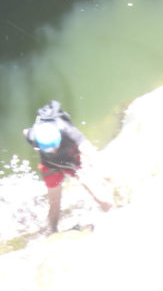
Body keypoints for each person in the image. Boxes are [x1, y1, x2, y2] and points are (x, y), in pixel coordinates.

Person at [24, 100, 112, 233]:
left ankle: (113, 213)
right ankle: (53, 231)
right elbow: (25, 132)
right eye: (48, 150)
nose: (53, 151)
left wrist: (104, 173)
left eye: (54, 147)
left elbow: (90, 151)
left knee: (95, 192)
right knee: (54, 204)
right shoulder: (34, 136)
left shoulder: (67, 130)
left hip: (73, 161)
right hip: (51, 165)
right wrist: (39, 150)